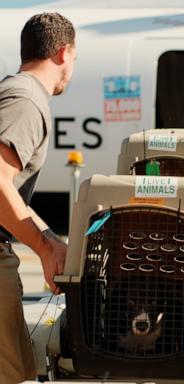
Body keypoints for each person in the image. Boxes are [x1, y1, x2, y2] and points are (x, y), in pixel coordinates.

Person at [0, 13, 76, 383]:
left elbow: (9, 194)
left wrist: (51, 241)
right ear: (64, 53)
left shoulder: (14, 91)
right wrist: (42, 249)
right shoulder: (27, 100)